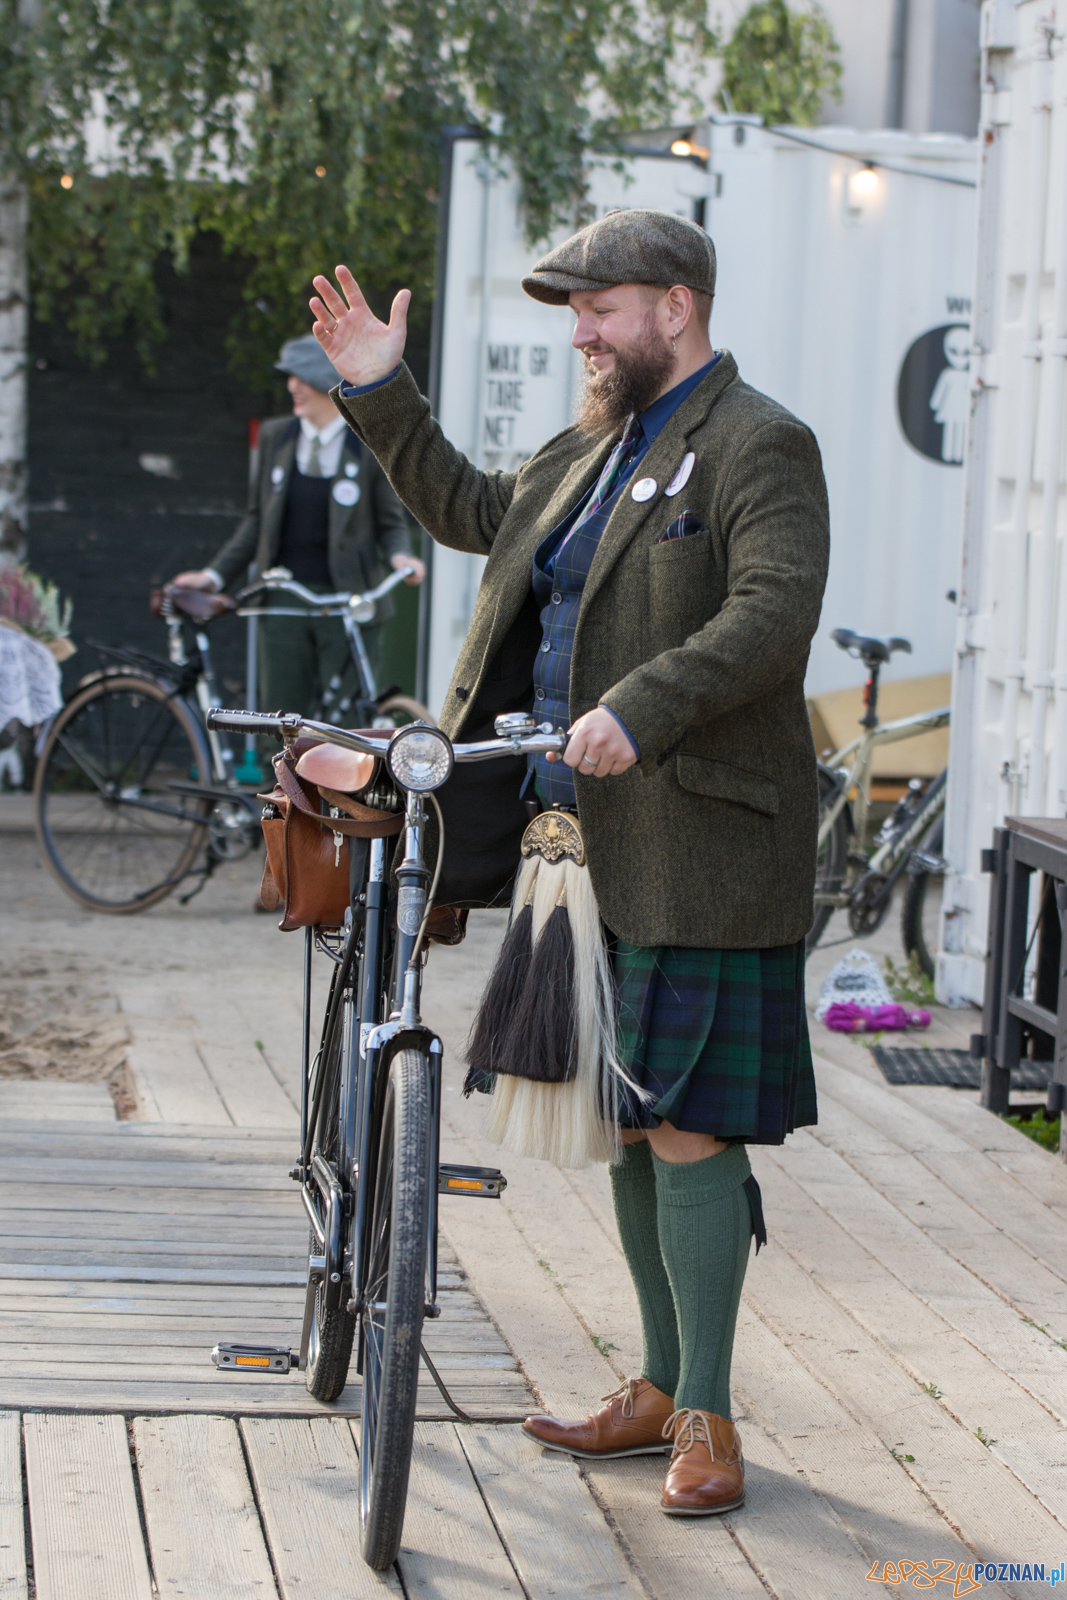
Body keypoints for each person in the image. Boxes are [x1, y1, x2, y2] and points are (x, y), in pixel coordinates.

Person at [309, 209, 829, 1517]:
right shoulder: (589, 448)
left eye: (597, 313)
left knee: (687, 1127)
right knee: (629, 1129)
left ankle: (706, 1417)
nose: (582, 338)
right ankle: (655, 1387)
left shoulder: (758, 444)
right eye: (574, 318)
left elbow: (768, 615)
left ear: (673, 305)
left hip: (700, 840)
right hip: (574, 850)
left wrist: (640, 705)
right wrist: (378, 389)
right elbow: (474, 514)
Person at [173, 334, 425, 719]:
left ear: (329, 383)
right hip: (284, 601)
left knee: (350, 721)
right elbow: (257, 521)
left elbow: (389, 522)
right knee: (282, 719)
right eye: (291, 378)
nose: (292, 387)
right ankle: (283, 781)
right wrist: (213, 576)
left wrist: (400, 557)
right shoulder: (277, 437)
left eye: (302, 378)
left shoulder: (369, 443)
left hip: (347, 602)